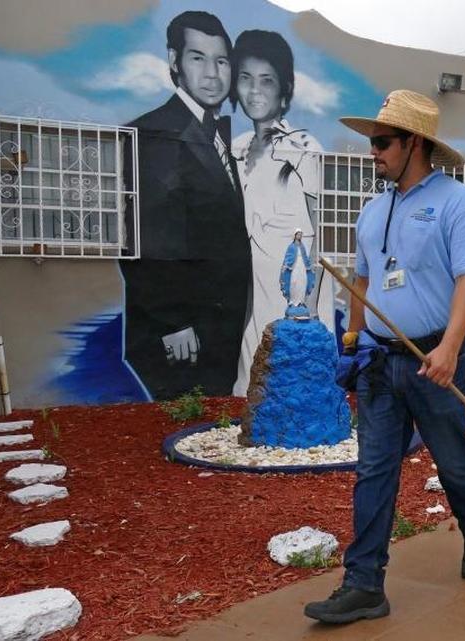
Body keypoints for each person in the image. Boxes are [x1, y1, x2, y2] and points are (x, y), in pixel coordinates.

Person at [303, 90, 465, 624]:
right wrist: (353, 343)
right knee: (373, 470)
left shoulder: (459, 202)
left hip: (437, 358)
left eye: (383, 142)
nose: (373, 151)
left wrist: (449, 348)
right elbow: (362, 282)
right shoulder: (372, 210)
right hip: (379, 364)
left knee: (452, 462)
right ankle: (364, 585)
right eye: (373, 141)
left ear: (415, 143)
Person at [120, 10, 251, 399]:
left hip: (216, 329)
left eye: (221, 61)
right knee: (182, 425)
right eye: (198, 58)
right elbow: (148, 235)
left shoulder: (213, 132)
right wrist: (172, 321)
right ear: (174, 61)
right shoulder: (157, 132)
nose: (212, 73)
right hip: (181, 337)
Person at [226, 29, 332, 396]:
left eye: (266, 80)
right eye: (246, 78)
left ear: (284, 87)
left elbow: (319, 234)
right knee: (250, 386)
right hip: (252, 293)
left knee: (295, 384)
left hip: (293, 294)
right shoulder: (236, 149)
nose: (255, 90)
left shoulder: (303, 149)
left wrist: (309, 308)